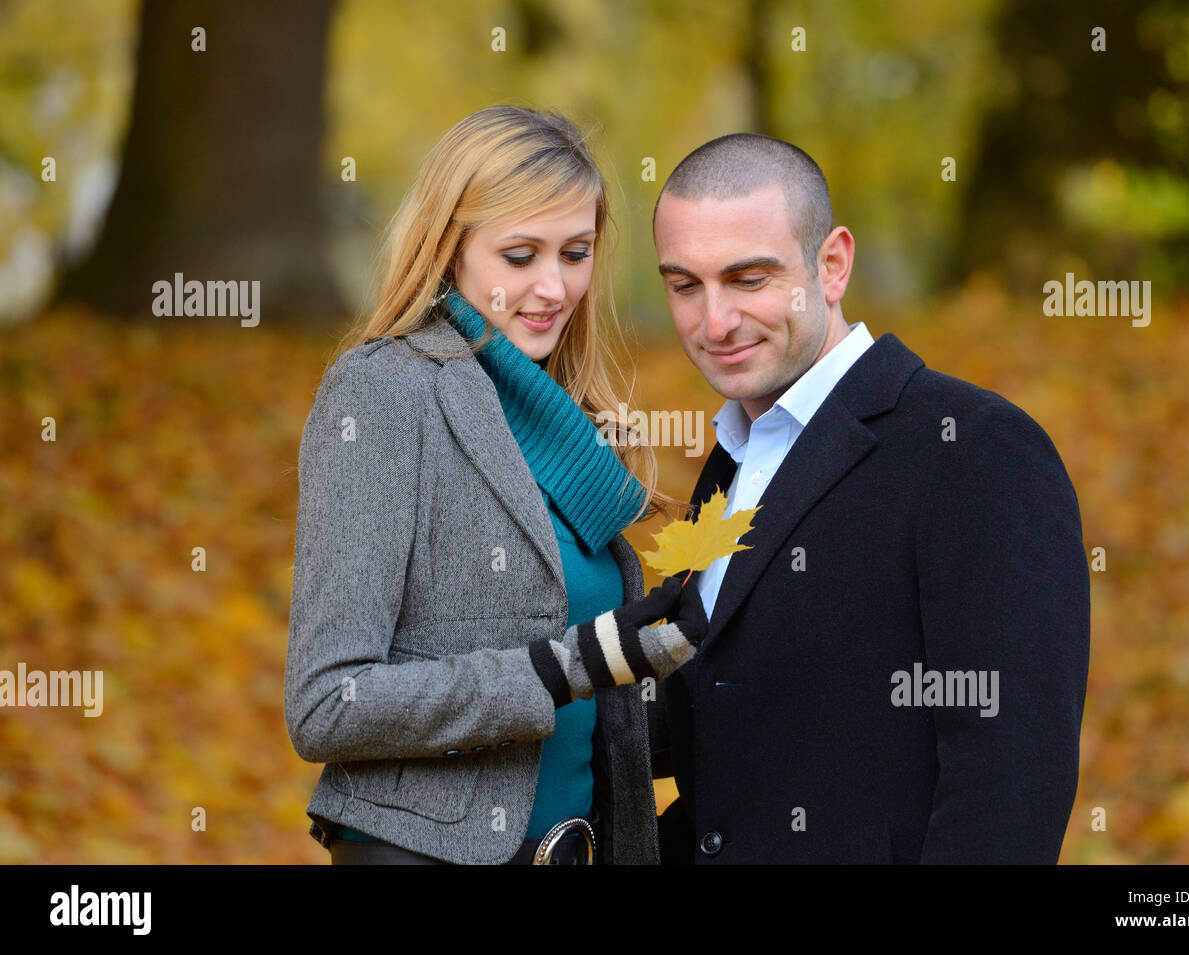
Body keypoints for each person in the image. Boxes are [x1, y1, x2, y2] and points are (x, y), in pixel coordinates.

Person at [648, 133, 1090, 864]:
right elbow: (721, 726)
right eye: (684, 285)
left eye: (748, 279)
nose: (714, 322)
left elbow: (1008, 782)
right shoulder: (734, 458)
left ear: (832, 264)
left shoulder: (975, 448)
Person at [284, 105, 707, 865]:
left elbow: (593, 697)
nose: (554, 286)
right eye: (520, 256)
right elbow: (327, 703)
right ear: (451, 249)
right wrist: (561, 664)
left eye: (575, 252)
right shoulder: (384, 393)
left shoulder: (567, 419)